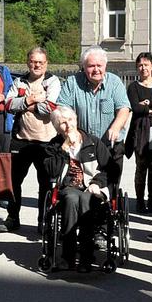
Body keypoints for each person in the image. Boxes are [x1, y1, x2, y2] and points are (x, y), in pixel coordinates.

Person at [2, 46, 61, 232]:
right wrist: (30, 100)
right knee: (14, 182)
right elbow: (8, 104)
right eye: (33, 62)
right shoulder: (19, 81)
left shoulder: (53, 81)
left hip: (46, 141)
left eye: (40, 62)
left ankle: (43, 221)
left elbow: (50, 107)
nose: (36, 65)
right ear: (28, 62)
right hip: (21, 139)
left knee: (45, 184)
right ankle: (12, 217)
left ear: (46, 63)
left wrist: (25, 105)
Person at [47, 106, 113, 272]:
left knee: (86, 199)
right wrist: (63, 150)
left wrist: (97, 182)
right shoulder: (54, 146)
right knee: (71, 199)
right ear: (56, 127)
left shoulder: (93, 142)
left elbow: (111, 169)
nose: (68, 125)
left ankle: (86, 256)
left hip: (94, 187)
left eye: (70, 120)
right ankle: (68, 256)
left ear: (76, 120)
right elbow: (52, 172)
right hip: (69, 187)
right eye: (62, 123)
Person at [56, 46, 131, 185]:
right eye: (91, 66)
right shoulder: (72, 83)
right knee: (81, 183)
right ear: (83, 67)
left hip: (110, 143)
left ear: (105, 66)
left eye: (99, 65)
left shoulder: (114, 82)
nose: (96, 69)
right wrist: (70, 130)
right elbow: (61, 108)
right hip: (81, 144)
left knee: (109, 182)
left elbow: (124, 109)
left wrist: (116, 127)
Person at [125, 52, 152, 213]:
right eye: (140, 65)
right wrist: (151, 108)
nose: (143, 68)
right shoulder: (133, 87)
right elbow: (135, 108)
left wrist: (147, 106)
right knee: (141, 168)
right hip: (139, 132)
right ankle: (140, 202)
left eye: (146, 65)